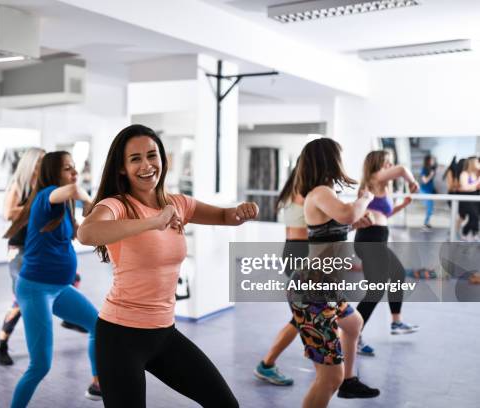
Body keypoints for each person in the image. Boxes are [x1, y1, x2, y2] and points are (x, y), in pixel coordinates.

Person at [78, 124, 258, 408]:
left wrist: (242, 212)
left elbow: (226, 216)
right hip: (120, 336)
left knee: (225, 404)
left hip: (164, 333)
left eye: (152, 155)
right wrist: (152, 221)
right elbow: (87, 233)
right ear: (122, 168)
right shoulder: (118, 205)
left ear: (163, 158)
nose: (147, 165)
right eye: (135, 158)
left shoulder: (178, 203)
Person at [5, 151, 101, 407]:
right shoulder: (44, 197)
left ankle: (97, 384)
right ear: (52, 173)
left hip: (60, 288)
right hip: (36, 290)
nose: (74, 173)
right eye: (67, 168)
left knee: (98, 326)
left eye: (74, 167)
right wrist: (87, 197)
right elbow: (71, 191)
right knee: (40, 366)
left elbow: (82, 235)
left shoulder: (64, 208)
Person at [290, 138, 379, 408]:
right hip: (312, 292)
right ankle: (343, 381)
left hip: (326, 289)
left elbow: (333, 228)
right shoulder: (320, 192)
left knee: (353, 324)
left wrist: (350, 226)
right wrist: (364, 198)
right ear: (330, 159)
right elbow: (348, 213)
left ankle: (349, 383)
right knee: (329, 378)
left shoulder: (324, 193)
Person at [354, 150, 420, 357]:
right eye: (387, 162)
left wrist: (403, 204)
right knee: (375, 290)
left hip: (377, 238)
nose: (390, 165)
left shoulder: (382, 185)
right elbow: (401, 170)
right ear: (377, 164)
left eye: (391, 162)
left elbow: (385, 214)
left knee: (398, 274)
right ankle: (353, 335)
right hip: (369, 239)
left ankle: (396, 322)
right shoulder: (374, 178)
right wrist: (411, 181)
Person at [0, 148, 45, 366]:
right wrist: (35, 206)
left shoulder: (44, 186)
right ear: (31, 163)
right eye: (41, 161)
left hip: (38, 246)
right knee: (21, 298)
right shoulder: (19, 185)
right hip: (18, 247)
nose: (43, 165)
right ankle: (1, 344)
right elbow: (8, 213)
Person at [253, 165, 303, 386]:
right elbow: (319, 229)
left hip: (292, 250)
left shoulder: (291, 191)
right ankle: (266, 364)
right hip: (301, 254)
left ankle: (315, 349)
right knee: (301, 317)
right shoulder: (308, 194)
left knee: (305, 315)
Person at [458, 156, 480, 241]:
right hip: (467, 198)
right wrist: (476, 186)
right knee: (474, 216)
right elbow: (465, 187)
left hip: (475, 197)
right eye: (477, 162)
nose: (478, 163)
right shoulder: (464, 174)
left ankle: (469, 233)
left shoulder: (476, 174)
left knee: (475, 217)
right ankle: (465, 233)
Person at [420, 154, 436, 230]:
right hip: (425, 191)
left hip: (430, 191)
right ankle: (425, 223)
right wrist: (430, 175)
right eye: (432, 160)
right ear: (428, 161)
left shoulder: (431, 169)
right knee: (429, 208)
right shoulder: (424, 169)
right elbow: (424, 181)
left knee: (431, 208)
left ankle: (427, 222)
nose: (433, 161)